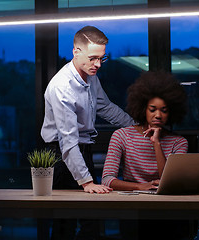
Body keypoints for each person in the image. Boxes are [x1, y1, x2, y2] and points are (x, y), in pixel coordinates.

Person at [41, 26, 135, 239]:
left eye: (102, 58)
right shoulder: (61, 87)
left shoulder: (91, 76)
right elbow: (67, 142)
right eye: (93, 58)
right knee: (65, 222)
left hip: (83, 149)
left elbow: (105, 106)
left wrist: (134, 126)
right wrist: (86, 182)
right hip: (61, 155)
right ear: (76, 52)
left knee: (91, 218)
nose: (98, 65)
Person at [102, 71, 194, 239]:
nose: (158, 115)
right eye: (152, 109)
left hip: (168, 209)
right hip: (134, 208)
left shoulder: (179, 142)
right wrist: (140, 187)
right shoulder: (122, 136)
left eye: (164, 110)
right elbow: (107, 179)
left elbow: (171, 181)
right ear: (143, 108)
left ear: (172, 112)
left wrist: (156, 143)